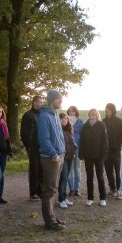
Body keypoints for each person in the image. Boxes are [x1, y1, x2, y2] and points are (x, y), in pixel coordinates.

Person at [37, 89, 66, 230]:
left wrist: (62, 152)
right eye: (58, 99)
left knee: (53, 190)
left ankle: (52, 216)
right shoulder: (44, 116)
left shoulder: (54, 114)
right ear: (51, 100)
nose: (61, 101)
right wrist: (54, 154)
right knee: (49, 190)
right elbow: (44, 139)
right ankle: (49, 221)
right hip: (50, 158)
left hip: (59, 156)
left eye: (61, 98)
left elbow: (59, 136)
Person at [79, 109, 109, 207]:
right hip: (88, 156)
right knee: (89, 177)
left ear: (97, 115)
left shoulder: (101, 125)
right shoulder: (85, 126)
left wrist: (104, 154)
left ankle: (103, 198)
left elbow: (105, 141)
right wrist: (81, 153)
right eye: (90, 115)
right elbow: (82, 141)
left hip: (99, 156)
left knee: (100, 177)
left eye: (93, 115)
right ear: (88, 116)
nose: (92, 117)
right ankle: (90, 198)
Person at [20, 96, 44, 201]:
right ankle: (33, 193)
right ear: (34, 102)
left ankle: (41, 191)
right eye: (39, 102)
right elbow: (24, 133)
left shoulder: (43, 115)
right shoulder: (28, 115)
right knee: (34, 169)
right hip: (33, 147)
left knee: (42, 169)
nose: (41, 104)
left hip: (43, 147)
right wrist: (28, 146)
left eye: (42, 102)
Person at [103, 103, 122, 199]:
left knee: (118, 172)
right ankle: (112, 189)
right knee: (108, 171)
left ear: (113, 110)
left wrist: (117, 144)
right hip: (106, 151)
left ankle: (120, 191)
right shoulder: (103, 121)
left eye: (109, 108)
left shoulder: (119, 121)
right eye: (106, 108)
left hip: (116, 151)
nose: (107, 110)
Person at [58, 113, 76, 209]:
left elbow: (72, 143)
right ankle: (61, 199)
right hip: (63, 158)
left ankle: (64, 198)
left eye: (65, 118)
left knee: (66, 178)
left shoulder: (69, 129)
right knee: (63, 178)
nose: (64, 120)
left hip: (70, 157)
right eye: (62, 118)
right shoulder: (58, 130)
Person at [67, 106, 84, 196]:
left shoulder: (80, 121)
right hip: (68, 148)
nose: (71, 113)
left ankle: (77, 188)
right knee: (69, 169)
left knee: (77, 168)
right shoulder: (66, 121)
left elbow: (83, 134)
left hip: (77, 147)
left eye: (72, 111)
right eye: (69, 111)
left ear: (76, 112)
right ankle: (71, 189)